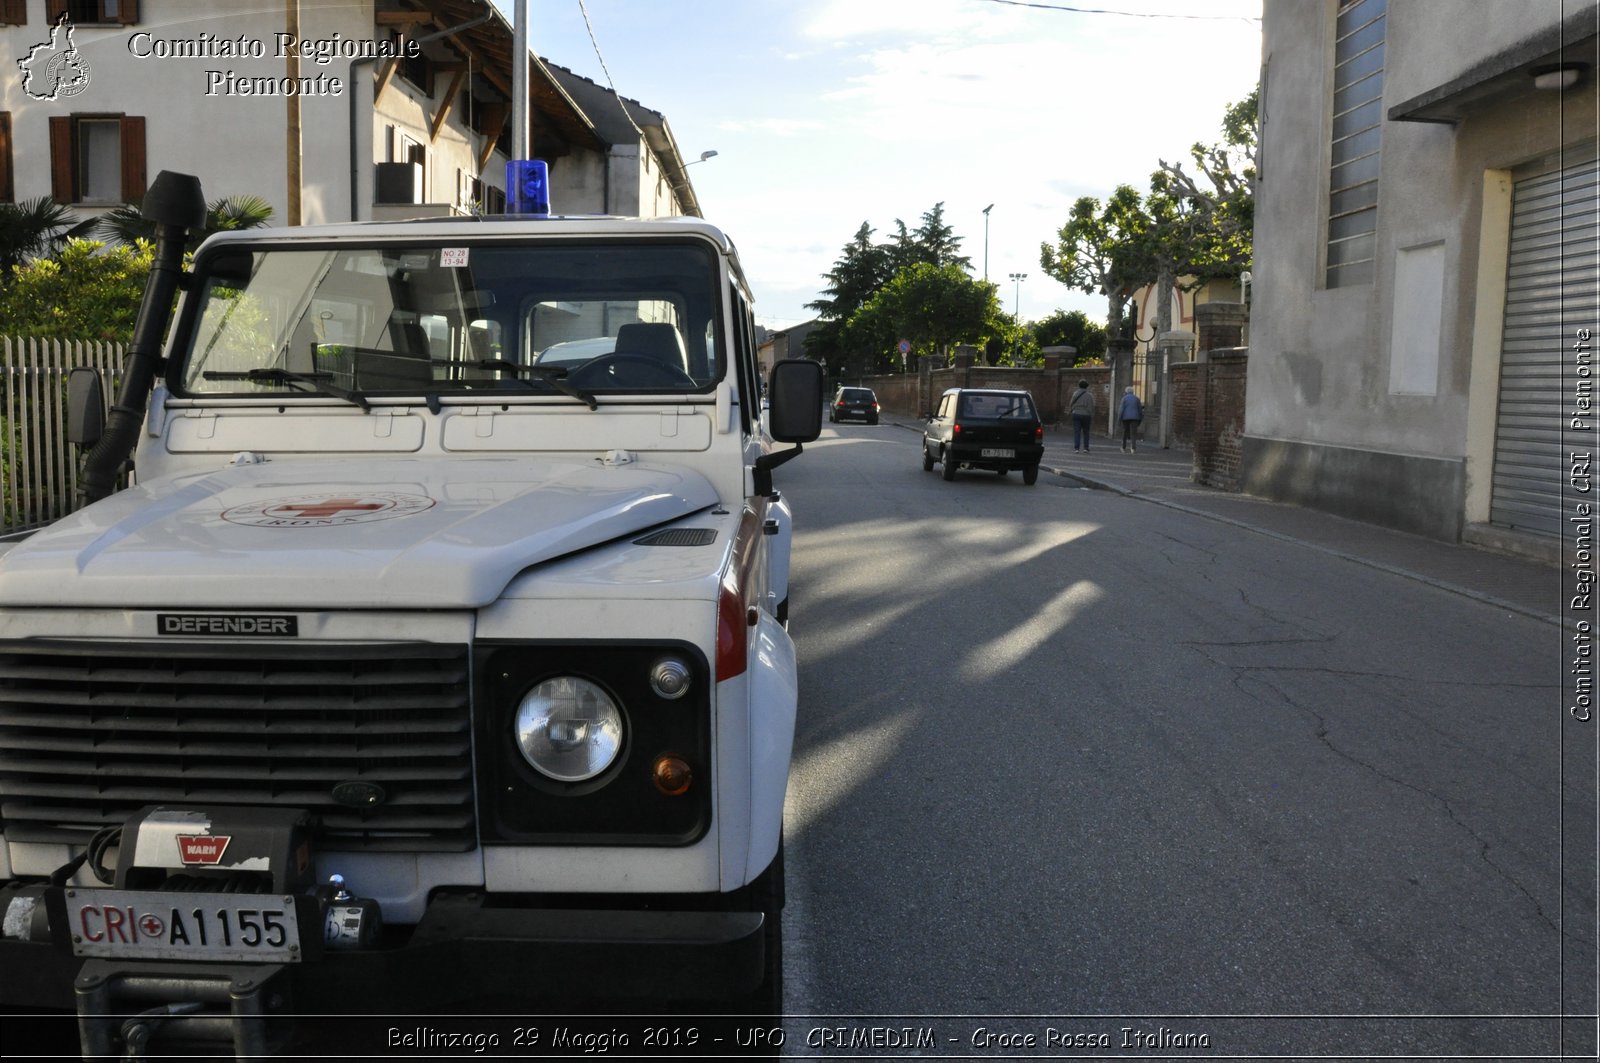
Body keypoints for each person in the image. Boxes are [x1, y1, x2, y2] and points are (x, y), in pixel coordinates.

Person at [1068, 379, 1095, 452]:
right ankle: (1086, 448)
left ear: (1079, 386)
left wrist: (1072, 410)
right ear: (1086, 387)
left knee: (1077, 432)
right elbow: (1091, 407)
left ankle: (1076, 448)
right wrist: (1091, 415)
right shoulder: (1089, 395)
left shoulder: (1075, 394)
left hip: (1076, 413)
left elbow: (1071, 403)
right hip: (1086, 415)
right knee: (1086, 432)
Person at [1119, 385, 1144, 452]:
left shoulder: (1124, 398)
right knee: (1133, 433)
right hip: (1135, 418)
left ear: (1126, 392)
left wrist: (1119, 419)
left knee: (1125, 432)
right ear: (1133, 392)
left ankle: (1123, 447)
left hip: (1125, 418)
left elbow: (1121, 410)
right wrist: (1140, 419)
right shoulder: (1137, 399)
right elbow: (1140, 410)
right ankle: (1133, 448)